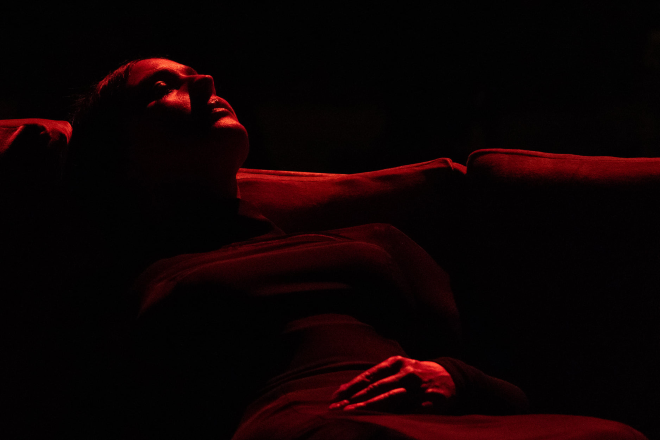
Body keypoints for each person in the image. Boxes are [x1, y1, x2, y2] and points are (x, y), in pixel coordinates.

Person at [64, 58, 646, 440]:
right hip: (312, 422)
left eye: (194, 72)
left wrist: (455, 379)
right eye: (160, 88)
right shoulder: (138, 278)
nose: (207, 83)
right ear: (122, 160)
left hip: (451, 414)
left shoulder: (373, 241)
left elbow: (514, 366)